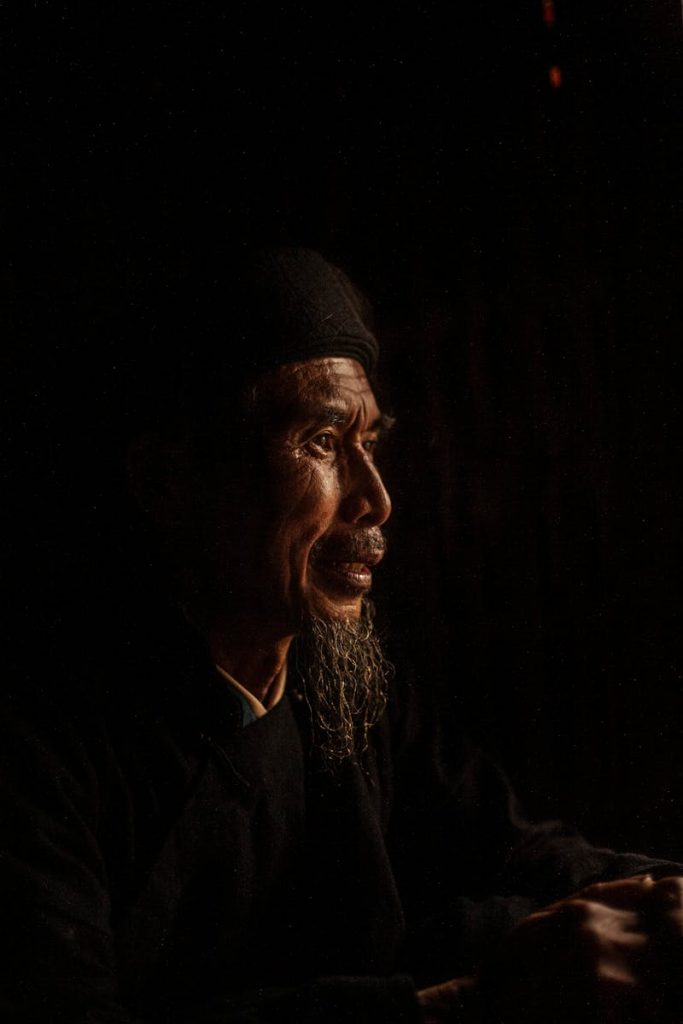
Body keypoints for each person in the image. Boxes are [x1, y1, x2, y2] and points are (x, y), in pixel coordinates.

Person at [1, 245, 682, 1023]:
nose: (375, 500)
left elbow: (518, 850)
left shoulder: (336, 679)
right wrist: (474, 1005)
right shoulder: (43, 750)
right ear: (167, 481)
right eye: (322, 442)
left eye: (371, 441)